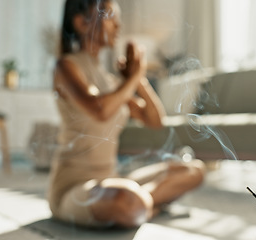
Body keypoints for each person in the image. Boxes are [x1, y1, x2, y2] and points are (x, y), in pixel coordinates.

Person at [48, 0, 206, 229]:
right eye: (111, 17)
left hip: (112, 182)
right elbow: (99, 109)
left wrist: (138, 80)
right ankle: (144, 206)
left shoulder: (112, 81)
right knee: (127, 199)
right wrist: (132, 78)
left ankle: (140, 206)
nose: (119, 26)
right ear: (82, 23)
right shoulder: (65, 67)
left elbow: (155, 121)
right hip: (74, 188)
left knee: (194, 170)